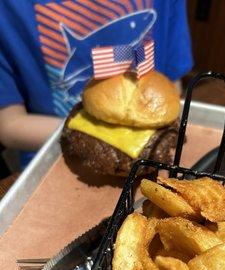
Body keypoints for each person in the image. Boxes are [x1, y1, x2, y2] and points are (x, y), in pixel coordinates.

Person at [0, 0, 193, 169]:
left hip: (156, 156)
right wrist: (101, 137)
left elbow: (172, 90)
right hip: (48, 157)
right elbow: (9, 126)